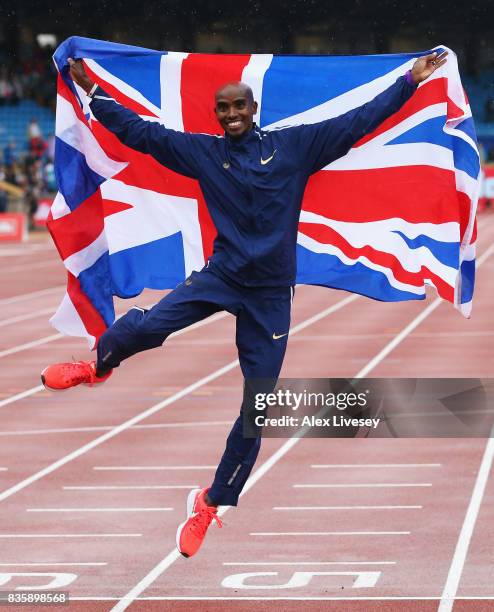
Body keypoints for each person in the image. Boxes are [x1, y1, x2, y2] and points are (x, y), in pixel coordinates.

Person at [41, 50, 448, 558]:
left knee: (257, 409)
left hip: (271, 296)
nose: (231, 116)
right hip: (223, 276)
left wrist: (409, 80)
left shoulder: (295, 147)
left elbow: (358, 121)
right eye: (223, 110)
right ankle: (98, 362)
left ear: (253, 108)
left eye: (239, 107)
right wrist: (93, 94)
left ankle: (211, 503)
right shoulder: (206, 154)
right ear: (217, 115)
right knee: (150, 325)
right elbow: (141, 134)